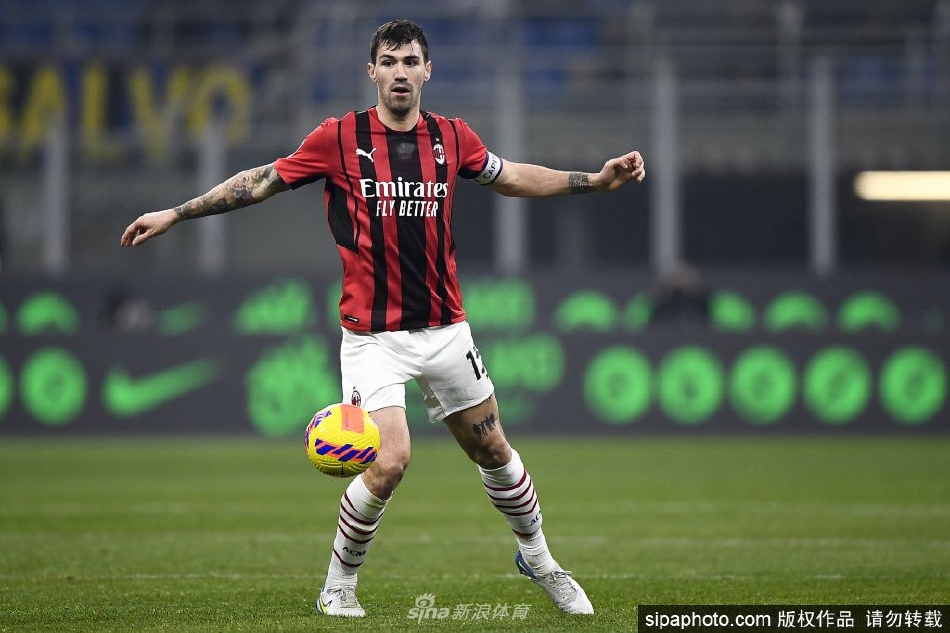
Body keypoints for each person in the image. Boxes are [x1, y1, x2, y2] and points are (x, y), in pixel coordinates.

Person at [121, 19, 645, 618]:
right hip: (373, 339)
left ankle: (540, 559)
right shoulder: (338, 138)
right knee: (390, 461)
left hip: (446, 328)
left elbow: (513, 177)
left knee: (494, 449)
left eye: (411, 61)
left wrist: (593, 181)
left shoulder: (452, 137)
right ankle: (337, 587)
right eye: (389, 61)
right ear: (371, 71)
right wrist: (177, 213)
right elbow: (260, 181)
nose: (400, 72)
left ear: (428, 71)